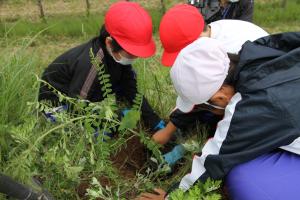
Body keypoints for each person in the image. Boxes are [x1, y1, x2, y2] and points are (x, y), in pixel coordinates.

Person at [138, 33, 300, 199]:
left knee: (244, 180)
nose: (207, 111)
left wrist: (172, 197)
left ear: (221, 96)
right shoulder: (258, 50)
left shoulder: (251, 107)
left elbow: (214, 162)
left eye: (205, 106)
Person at [152, 3, 267, 167]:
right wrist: (168, 130)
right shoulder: (211, 34)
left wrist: (199, 152)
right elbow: (196, 94)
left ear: (196, 42)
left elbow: (226, 118)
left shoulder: (233, 53)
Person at [38, 1, 165, 132]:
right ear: (109, 43)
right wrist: (118, 119)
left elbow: (130, 87)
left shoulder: (116, 55)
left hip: (80, 93)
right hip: (57, 107)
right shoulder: (92, 64)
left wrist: (152, 118)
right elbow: (76, 107)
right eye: (131, 53)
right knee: (102, 131)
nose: (134, 58)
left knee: (126, 87)